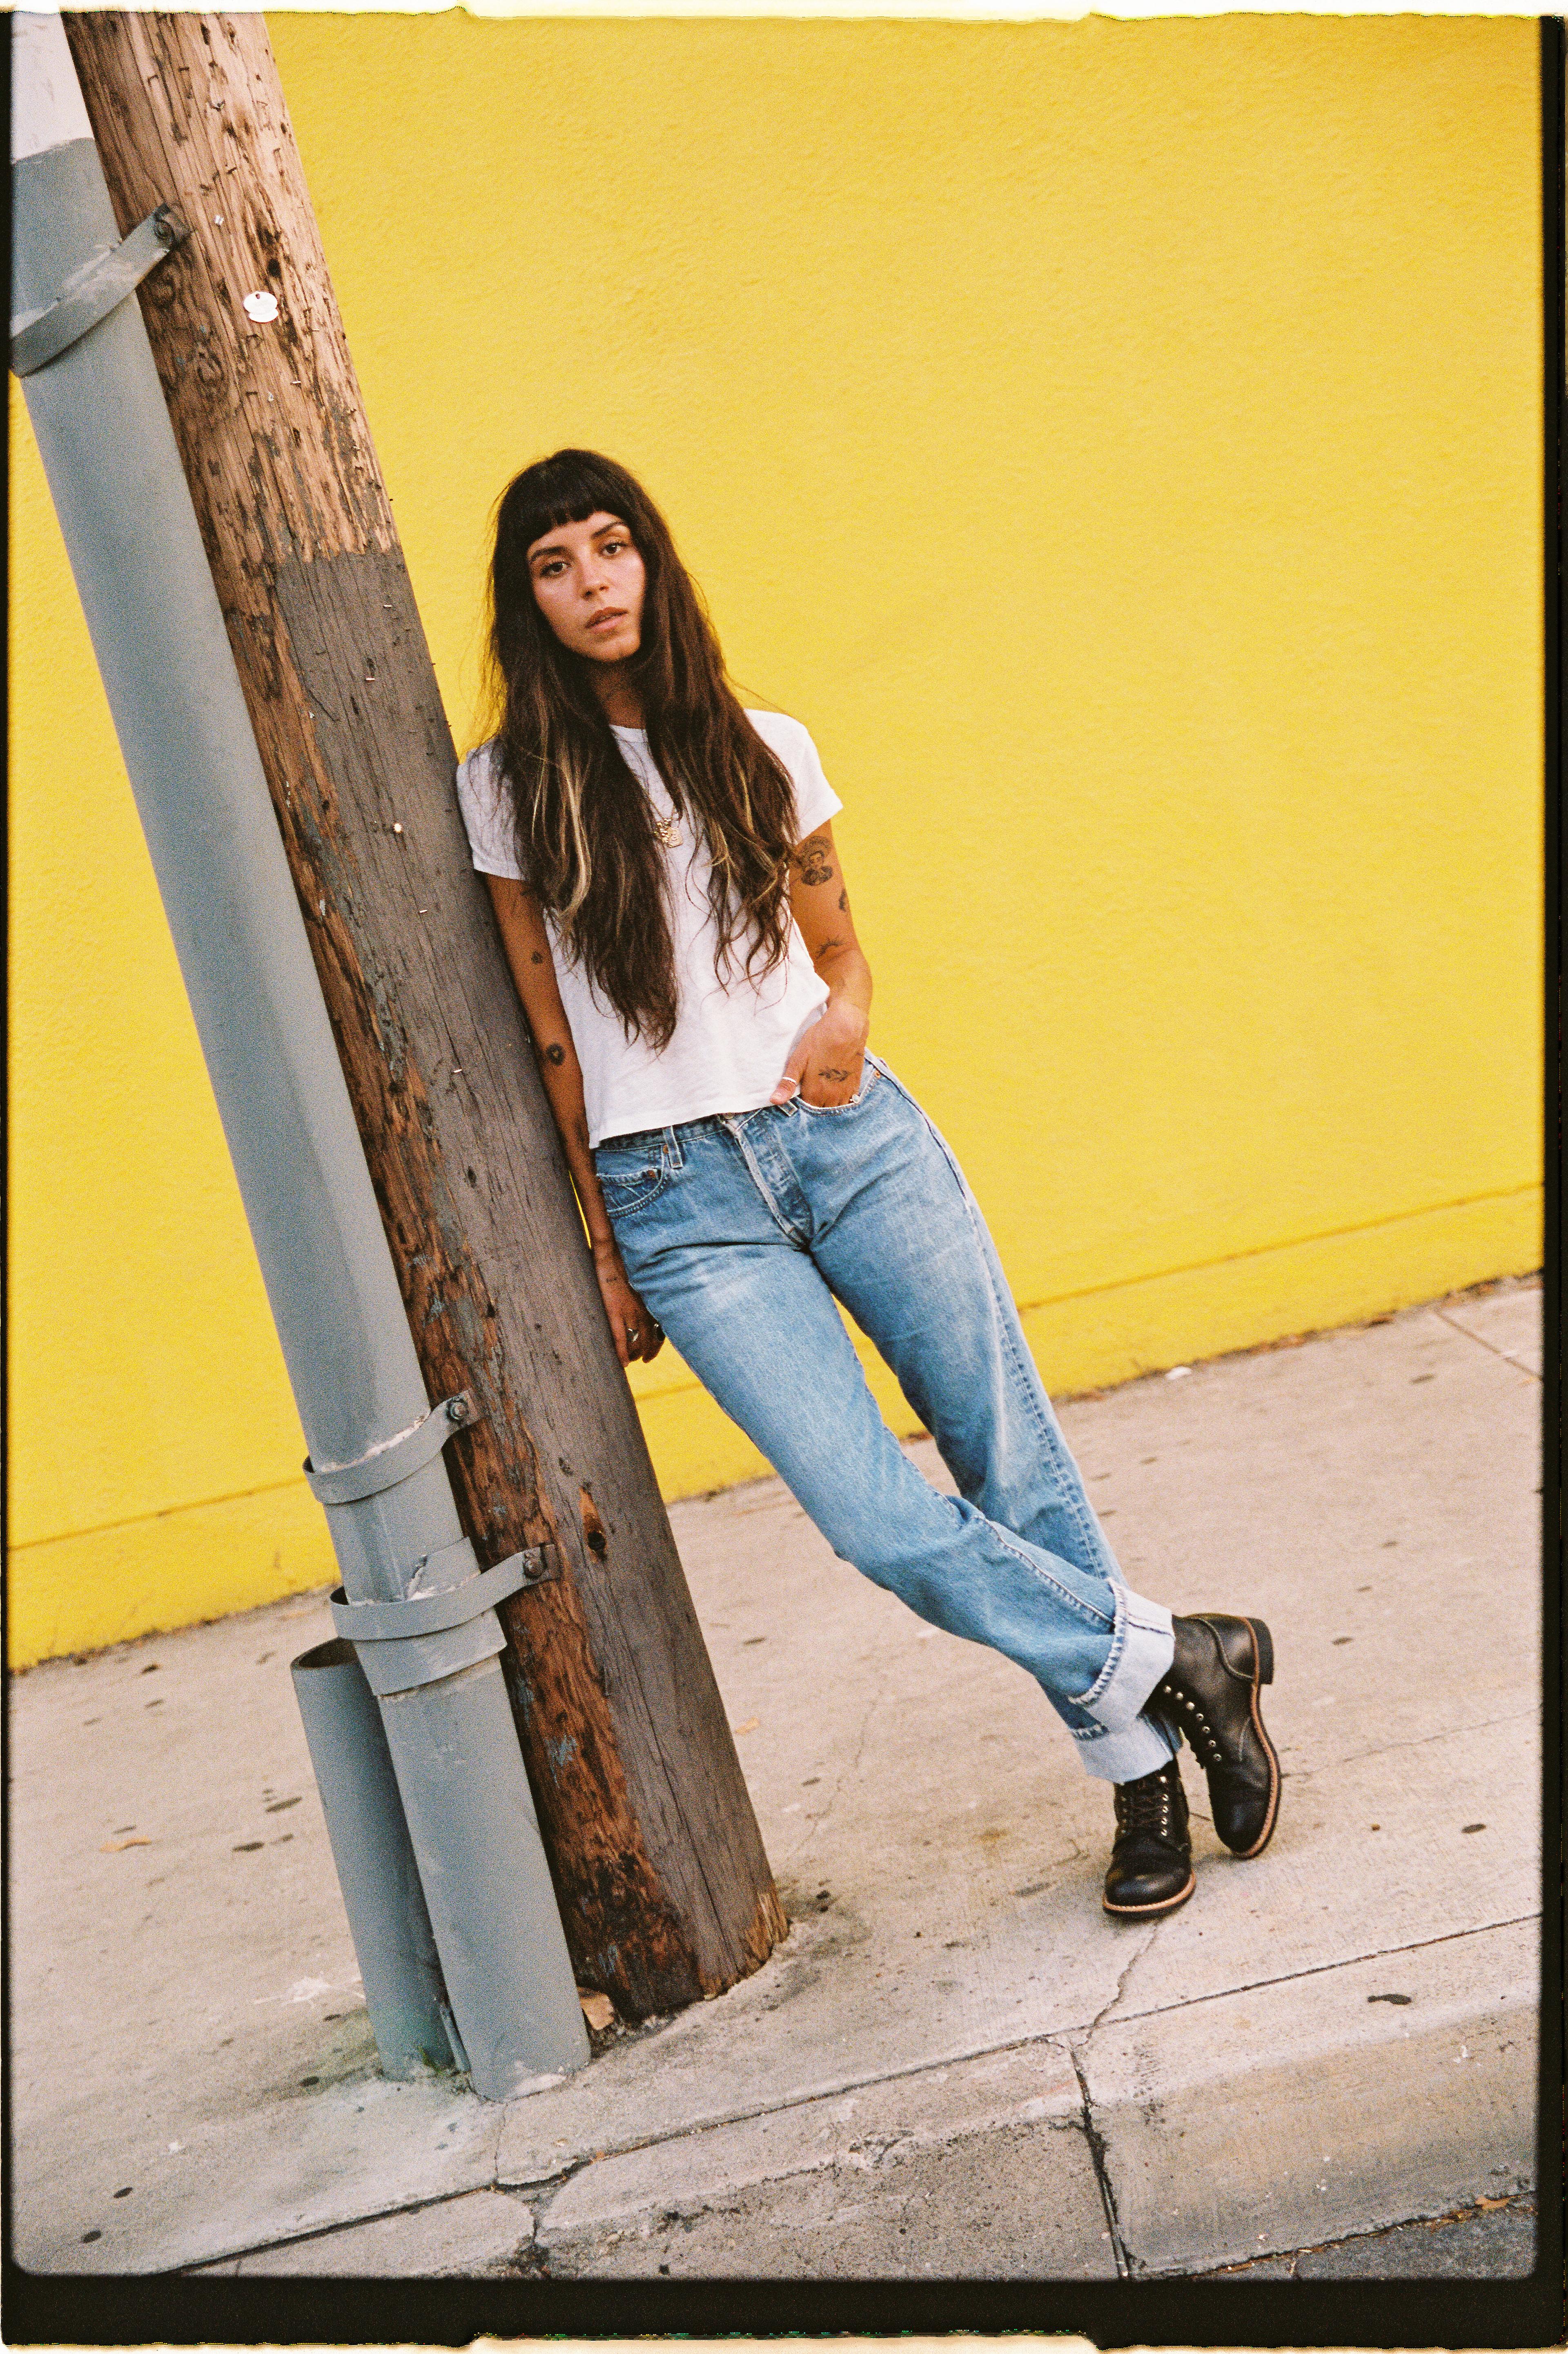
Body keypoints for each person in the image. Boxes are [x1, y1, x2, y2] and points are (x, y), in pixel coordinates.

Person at [455, 447, 1280, 1919]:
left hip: (845, 1138)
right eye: (554, 565)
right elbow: (549, 1044)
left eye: (611, 546)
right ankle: (1181, 1656)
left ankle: (1138, 1772)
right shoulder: (507, 793)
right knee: (876, 1520)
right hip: (677, 1206)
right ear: (530, 604)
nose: (592, 583)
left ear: (652, 561)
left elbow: (840, 953)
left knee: (1005, 1456)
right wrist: (604, 1247)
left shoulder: (762, 748)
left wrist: (846, 1018)